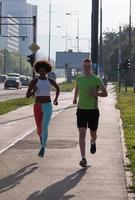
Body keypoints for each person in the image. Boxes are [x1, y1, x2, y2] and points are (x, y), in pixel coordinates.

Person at [73, 58, 108, 167]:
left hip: (93, 110)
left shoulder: (96, 79)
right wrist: (75, 98)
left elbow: (105, 93)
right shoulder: (79, 79)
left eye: (88, 66)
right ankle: (83, 158)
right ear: (82, 67)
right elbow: (77, 89)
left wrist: (96, 94)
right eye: (85, 67)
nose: (86, 68)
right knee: (82, 133)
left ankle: (93, 141)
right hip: (81, 110)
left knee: (93, 133)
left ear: (91, 67)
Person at [26, 60, 60, 157]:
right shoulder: (34, 81)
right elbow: (27, 96)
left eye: (44, 70)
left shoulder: (50, 81)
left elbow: (58, 88)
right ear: (37, 70)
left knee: (45, 126)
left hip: (47, 106)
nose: (42, 72)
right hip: (37, 106)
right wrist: (33, 92)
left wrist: (56, 99)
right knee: (39, 128)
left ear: (47, 71)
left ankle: (43, 148)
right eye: (40, 70)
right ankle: (41, 137)